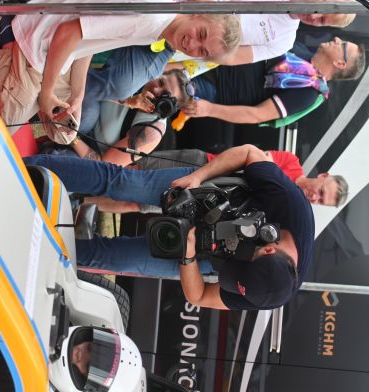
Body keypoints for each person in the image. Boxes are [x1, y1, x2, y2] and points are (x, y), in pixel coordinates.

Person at [24, 145, 315, 310]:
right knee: (121, 183)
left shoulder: (264, 294)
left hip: (202, 254)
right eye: (248, 261)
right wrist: (198, 177)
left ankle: (27, 244)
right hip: (211, 193)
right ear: (269, 248)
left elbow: (199, 296)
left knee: (113, 258)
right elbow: (250, 153)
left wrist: (188, 256)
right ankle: (25, 169)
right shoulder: (292, 206)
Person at [0, 0, 241, 144]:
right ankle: (8, 42)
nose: (192, 45)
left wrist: (78, 95)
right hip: (38, 40)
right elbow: (69, 32)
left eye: (201, 51)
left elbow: (86, 42)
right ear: (198, 10)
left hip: (55, 51)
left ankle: (20, 85)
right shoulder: (151, 19)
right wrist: (48, 92)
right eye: (201, 34)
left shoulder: (161, 27)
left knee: (66, 132)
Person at [79, 13, 356, 133]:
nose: (315, 19)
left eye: (323, 20)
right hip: (187, 22)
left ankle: (74, 90)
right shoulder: (302, 54)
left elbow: (233, 61)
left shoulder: (299, 68)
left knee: (127, 84)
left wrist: (183, 62)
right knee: (116, 49)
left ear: (341, 64)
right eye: (320, 11)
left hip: (201, 72)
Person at [183, 37, 366, 127]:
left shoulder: (309, 92)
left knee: (168, 84)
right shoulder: (299, 49)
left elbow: (257, 115)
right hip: (211, 59)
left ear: (340, 63)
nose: (337, 39)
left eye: (342, 45)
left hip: (212, 88)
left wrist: (209, 109)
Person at [49, 70, 191, 167]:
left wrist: (72, 136)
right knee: (89, 112)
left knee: (54, 159)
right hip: (83, 116)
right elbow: (90, 83)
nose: (155, 90)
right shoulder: (139, 74)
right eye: (160, 82)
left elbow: (102, 164)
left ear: (169, 109)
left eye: (165, 95)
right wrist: (129, 101)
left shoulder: (151, 132)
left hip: (90, 150)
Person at [134, 148, 350, 207]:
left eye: (321, 201)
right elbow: (257, 163)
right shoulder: (291, 162)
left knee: (137, 205)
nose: (315, 197)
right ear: (323, 175)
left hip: (204, 200)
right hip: (203, 166)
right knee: (138, 167)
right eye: (321, 191)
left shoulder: (291, 206)